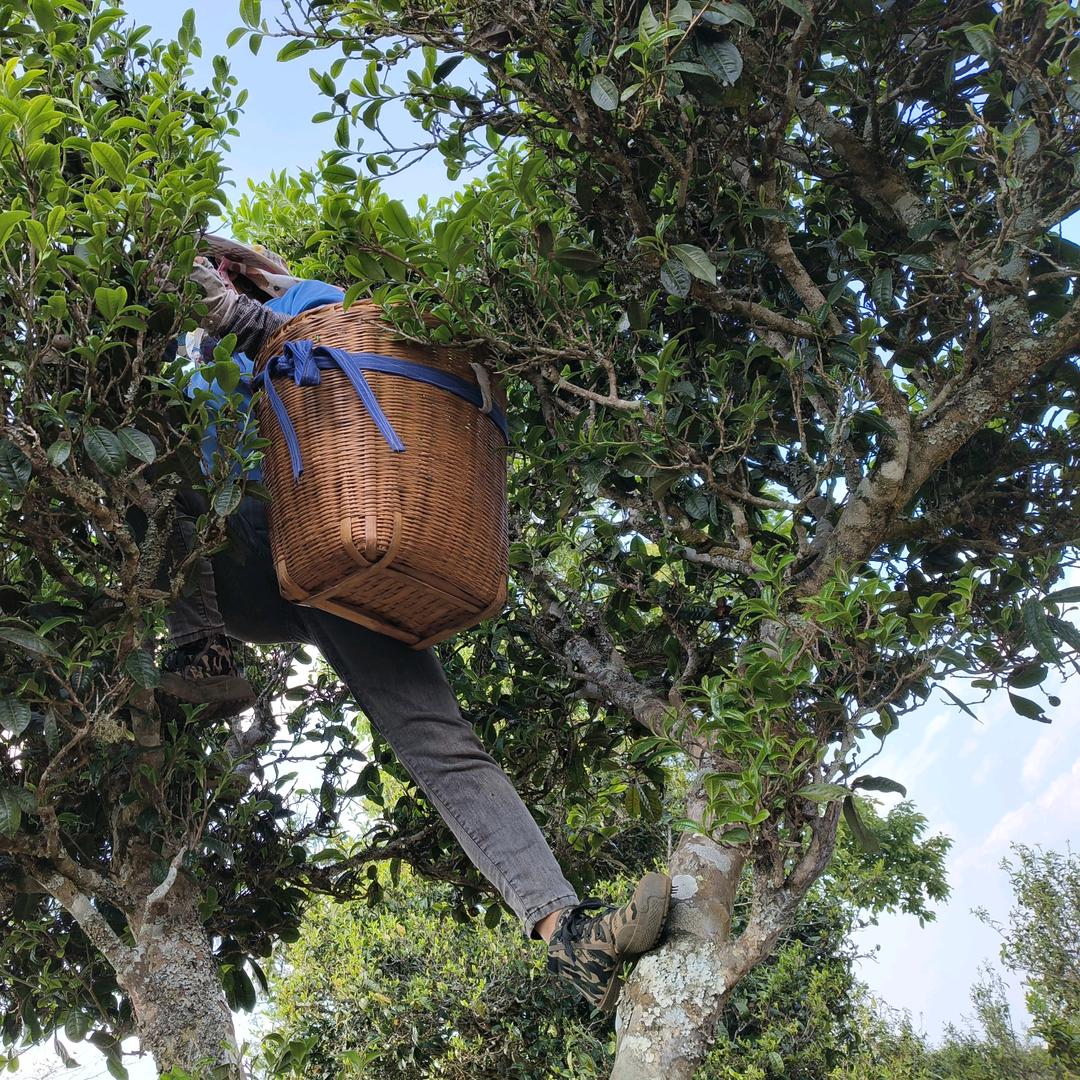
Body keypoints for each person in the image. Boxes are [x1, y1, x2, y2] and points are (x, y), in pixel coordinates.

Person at [158, 246, 673, 1012]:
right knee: (153, 458)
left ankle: (569, 933)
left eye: (212, 265)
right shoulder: (161, 353)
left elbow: (364, 343)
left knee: (440, 738)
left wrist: (260, 300)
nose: (204, 277)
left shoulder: (305, 294)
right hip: (233, 557)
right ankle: (199, 650)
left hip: (343, 532)